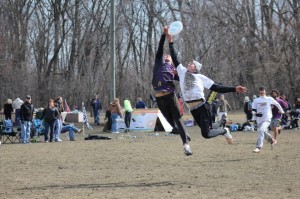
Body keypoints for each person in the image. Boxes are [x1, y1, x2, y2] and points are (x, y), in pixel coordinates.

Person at [167, 31, 247, 147]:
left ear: (195, 68)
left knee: (207, 133)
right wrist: (170, 43)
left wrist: (234, 89)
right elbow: (174, 58)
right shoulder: (182, 71)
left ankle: (225, 131)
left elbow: (216, 87)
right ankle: (221, 124)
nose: (188, 64)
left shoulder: (200, 77)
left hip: (202, 107)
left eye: (191, 63)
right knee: (208, 128)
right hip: (192, 109)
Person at [152, 27, 192, 156]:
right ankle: (184, 133)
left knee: (178, 119)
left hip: (170, 95)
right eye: (166, 55)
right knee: (170, 124)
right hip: (159, 97)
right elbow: (159, 47)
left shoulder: (174, 69)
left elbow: (184, 80)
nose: (167, 56)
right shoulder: (159, 63)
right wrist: (164, 35)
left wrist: (178, 74)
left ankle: (186, 145)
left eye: (169, 56)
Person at [252, 87, 284, 153]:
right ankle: (272, 140)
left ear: (265, 92)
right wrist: (256, 113)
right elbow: (253, 110)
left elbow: (277, 104)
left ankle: (258, 147)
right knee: (263, 132)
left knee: (261, 130)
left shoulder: (269, 99)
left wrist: (281, 111)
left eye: (263, 91)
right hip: (259, 119)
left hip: (267, 118)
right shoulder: (256, 100)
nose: (262, 92)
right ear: (259, 92)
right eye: (260, 91)